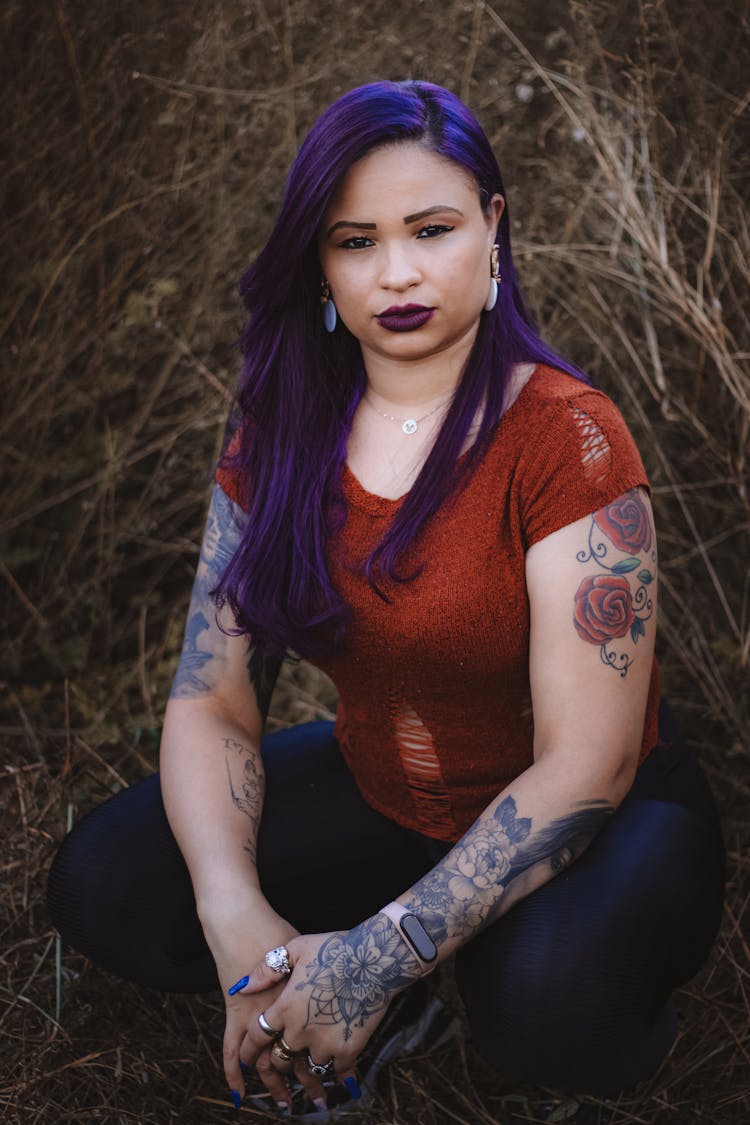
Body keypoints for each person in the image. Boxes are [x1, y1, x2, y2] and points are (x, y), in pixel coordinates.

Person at [47, 80, 725, 1119]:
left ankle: (496, 985)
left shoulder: (568, 438)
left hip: (599, 815)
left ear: (493, 228)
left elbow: (592, 762)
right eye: (355, 241)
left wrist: (379, 955)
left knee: (544, 1013)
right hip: (384, 793)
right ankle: (392, 985)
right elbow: (211, 698)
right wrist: (239, 927)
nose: (397, 273)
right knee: (108, 884)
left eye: (432, 229)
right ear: (318, 262)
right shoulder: (278, 431)